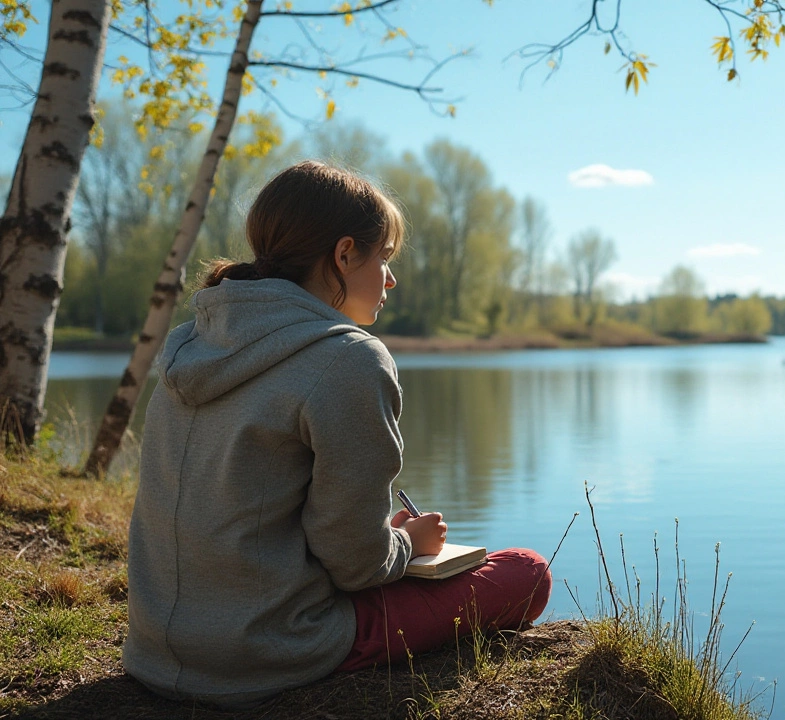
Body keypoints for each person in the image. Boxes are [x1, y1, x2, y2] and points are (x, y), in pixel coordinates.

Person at [123, 160, 551, 709]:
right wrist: (406, 546)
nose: (391, 279)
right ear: (344, 254)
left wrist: (378, 533)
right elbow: (356, 567)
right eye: (385, 258)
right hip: (268, 650)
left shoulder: (193, 342)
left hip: (157, 648)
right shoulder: (349, 358)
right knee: (526, 572)